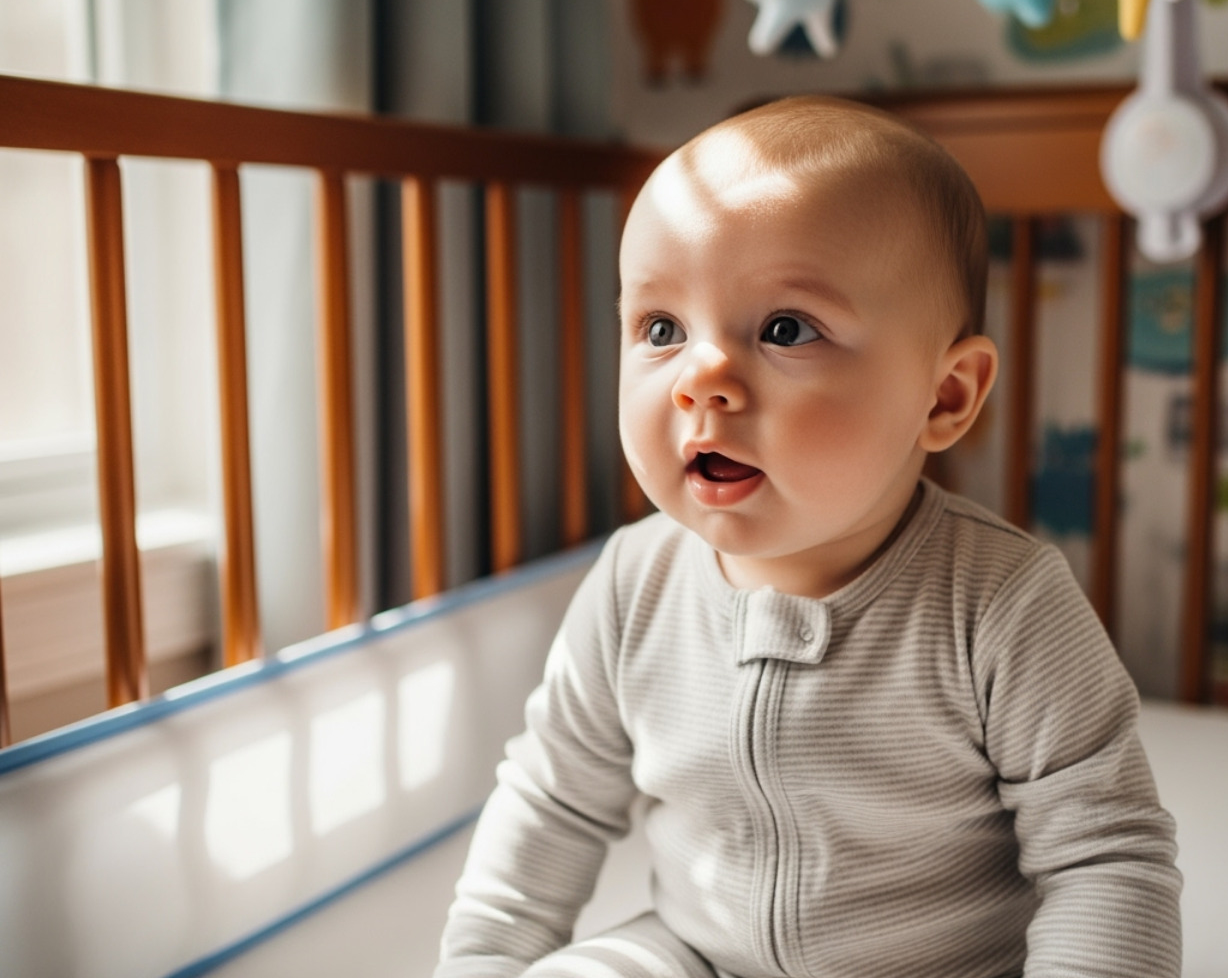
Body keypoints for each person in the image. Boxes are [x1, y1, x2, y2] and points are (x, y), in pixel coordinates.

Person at [436, 95, 1181, 978]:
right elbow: (553, 800)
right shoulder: (636, 582)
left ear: (944, 397)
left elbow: (1105, 858)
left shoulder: (1001, 604)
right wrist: (484, 959)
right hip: (695, 955)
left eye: (785, 329)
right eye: (661, 329)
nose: (700, 380)